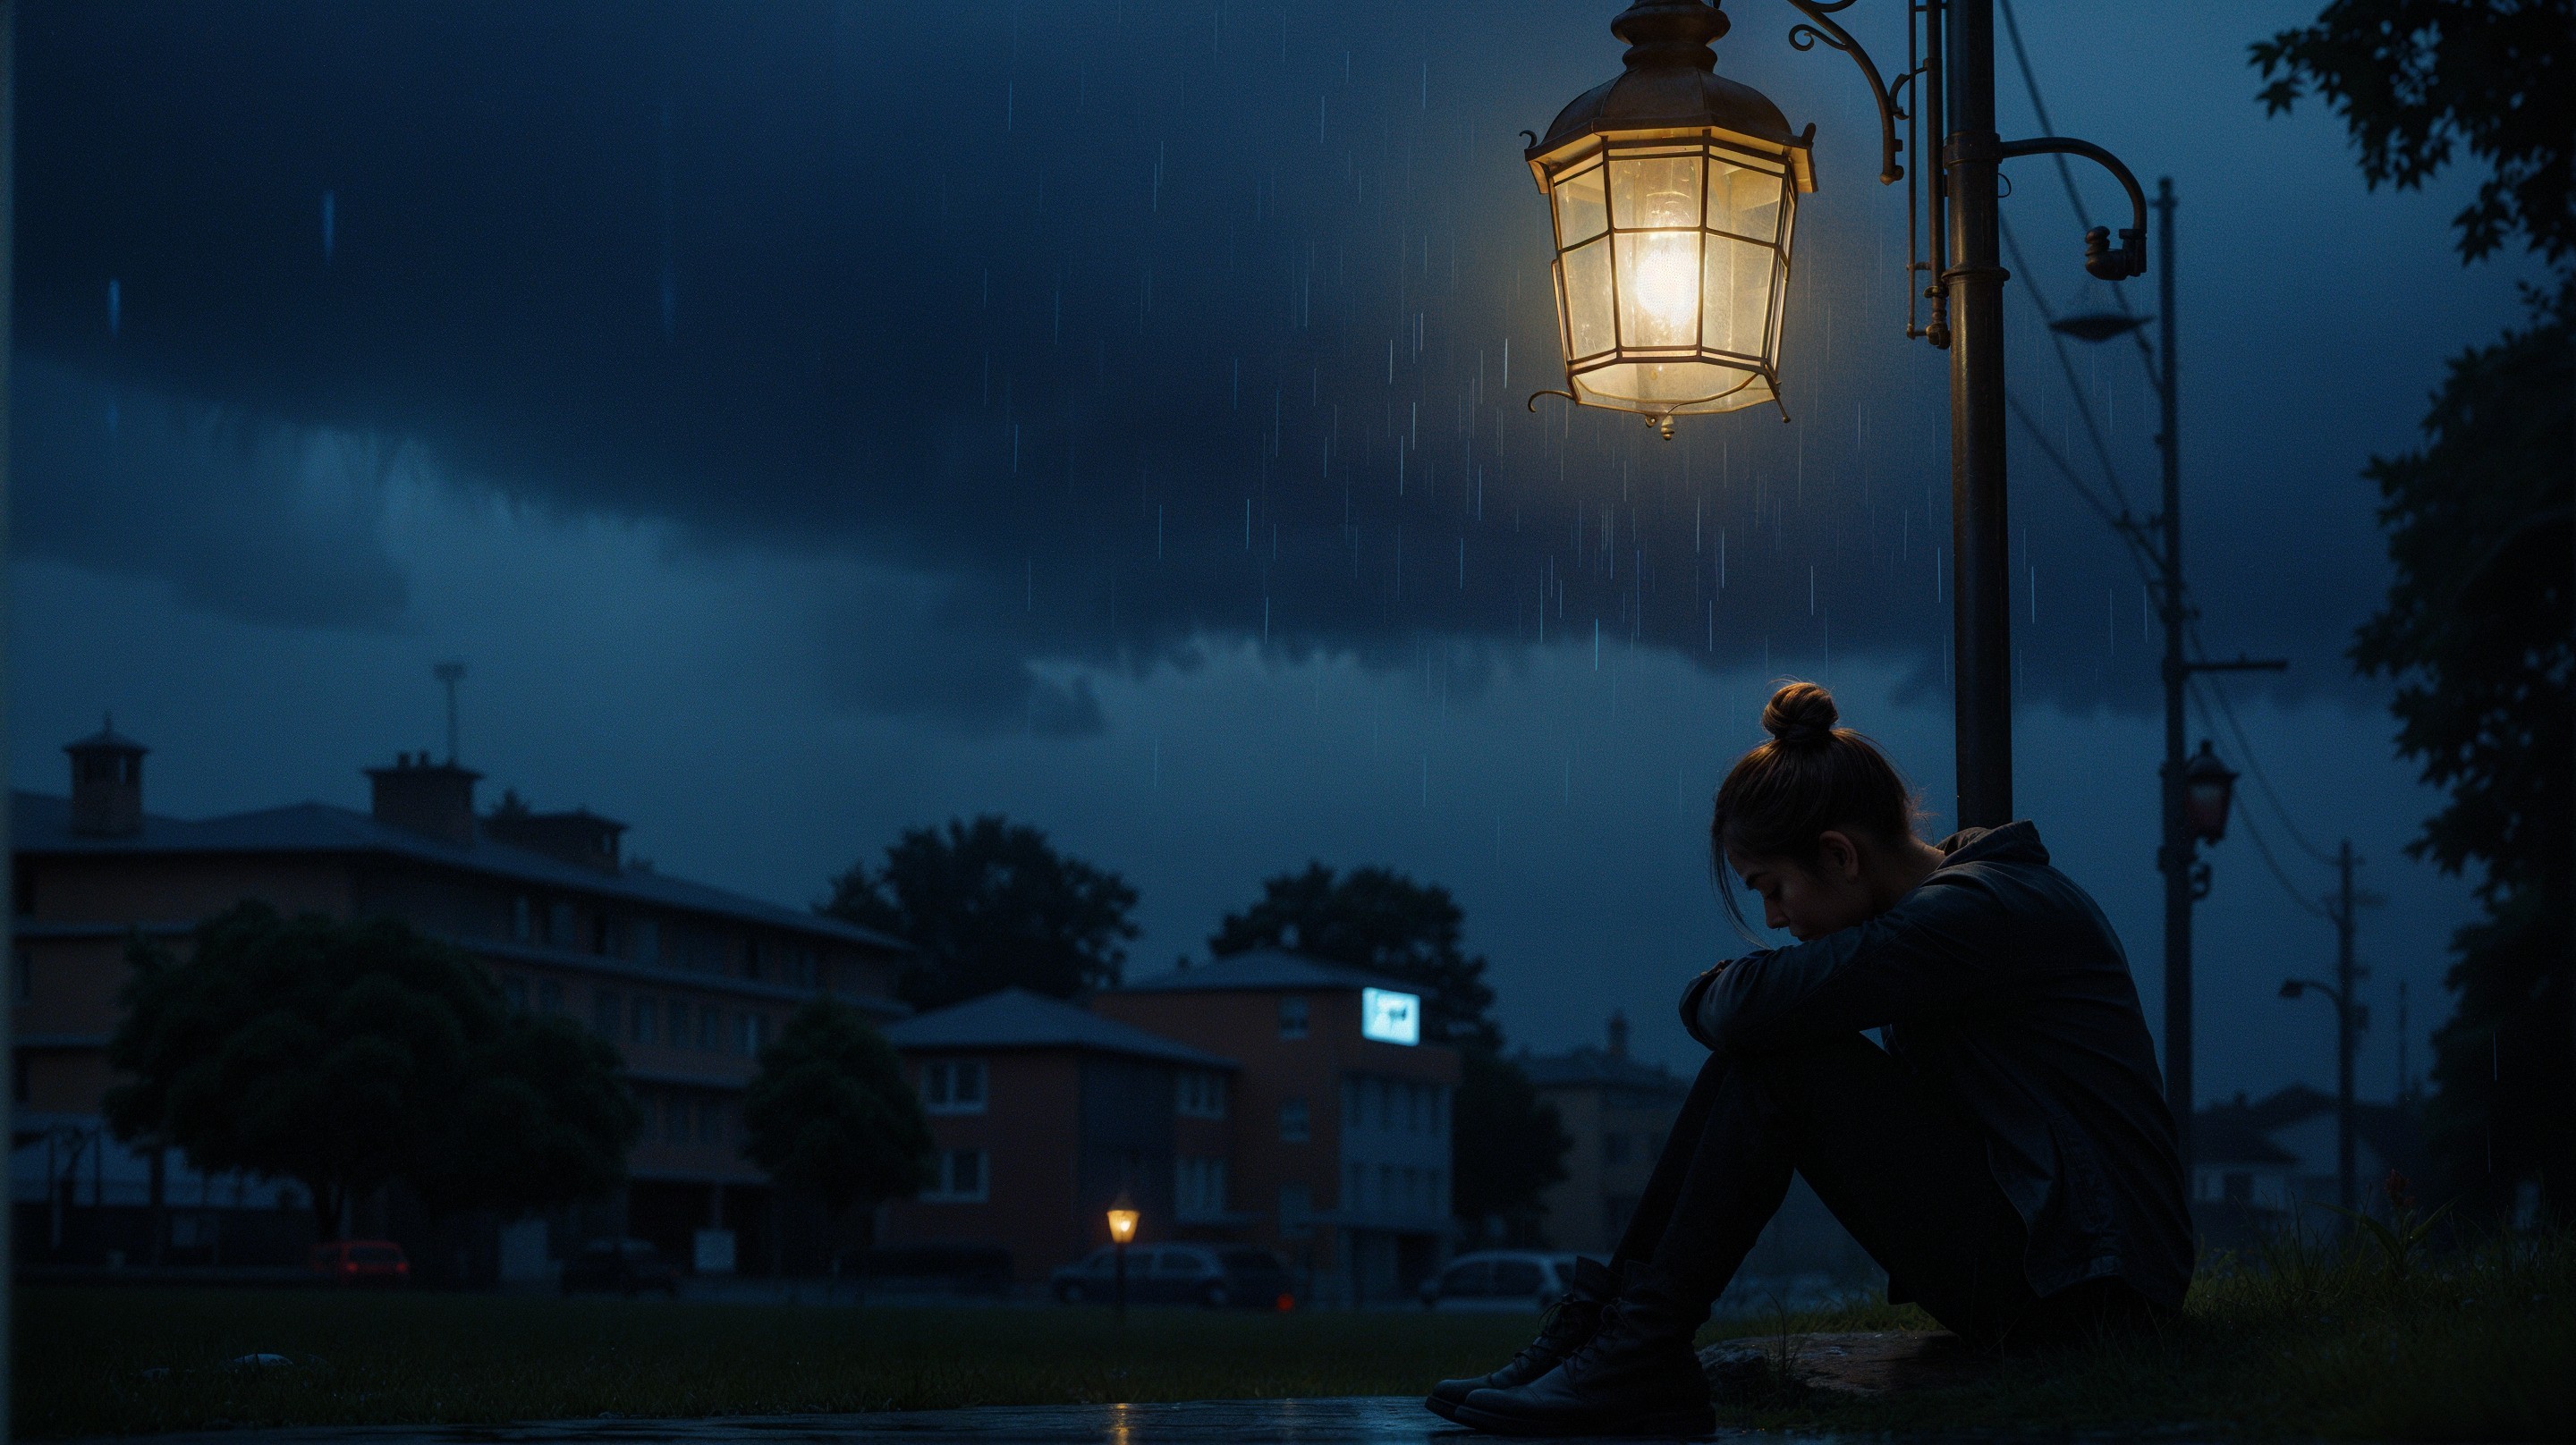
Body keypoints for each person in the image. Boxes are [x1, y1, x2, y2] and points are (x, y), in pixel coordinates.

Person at [1431, 682, 2191, 1437]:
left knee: (1781, 1062)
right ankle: (1608, 1338)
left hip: (2090, 1291)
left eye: (1774, 888)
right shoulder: (1960, 912)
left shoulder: (1974, 913)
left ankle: (1633, 1349)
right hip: (2064, 1270)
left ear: (1839, 854)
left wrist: (1710, 997)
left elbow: (1746, 1009)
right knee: (1771, 1052)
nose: (1773, 918)